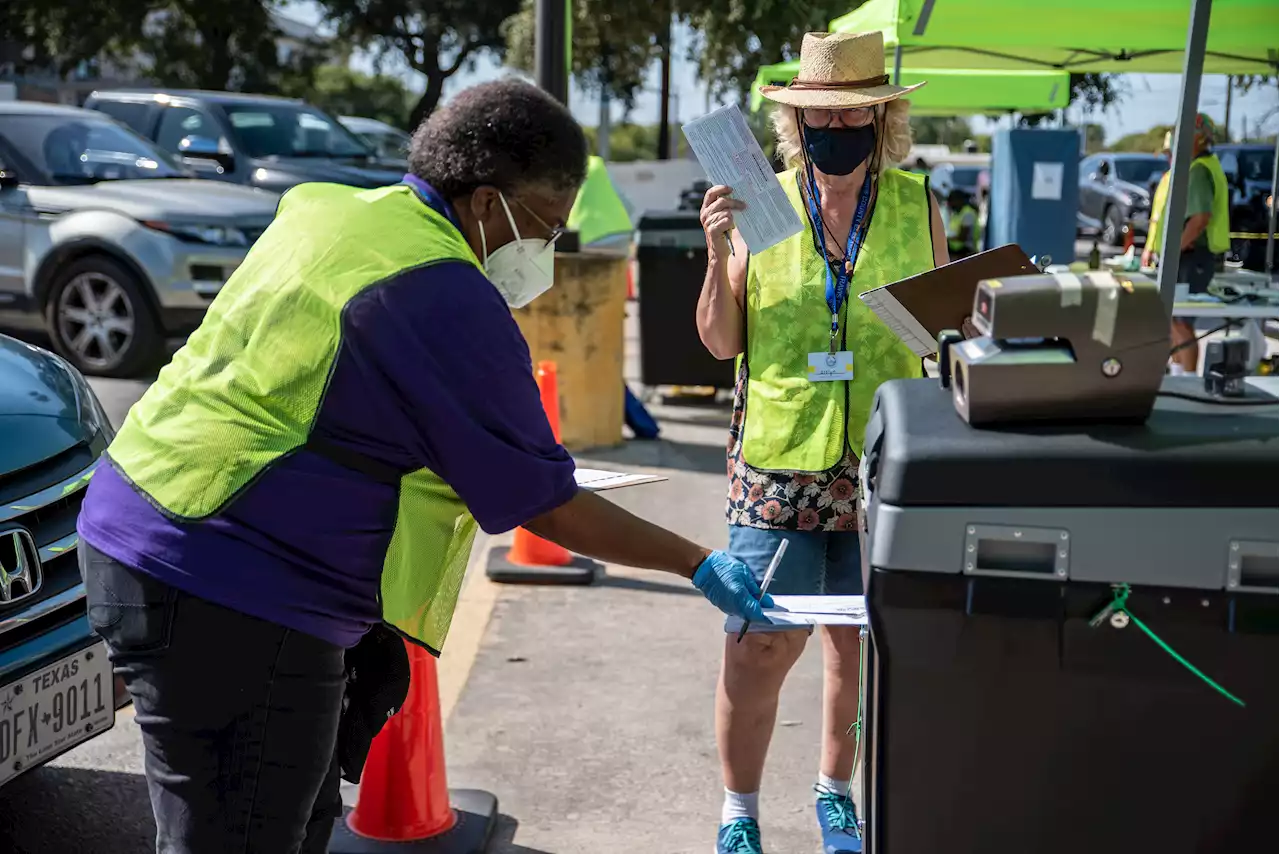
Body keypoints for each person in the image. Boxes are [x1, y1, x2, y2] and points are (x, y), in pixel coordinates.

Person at [75, 79, 769, 854]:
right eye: (545, 227)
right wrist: (695, 561)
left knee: (279, 821)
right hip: (234, 584)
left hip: (140, 522)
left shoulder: (329, 210)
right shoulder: (444, 291)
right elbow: (544, 502)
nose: (547, 251)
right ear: (483, 203)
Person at [695, 30, 949, 854]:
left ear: (882, 120)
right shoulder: (761, 204)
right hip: (779, 460)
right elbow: (722, 342)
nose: (834, 128)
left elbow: (942, 334)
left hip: (885, 454)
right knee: (759, 642)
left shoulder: (919, 205)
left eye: (852, 114)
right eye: (818, 116)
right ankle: (739, 812)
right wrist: (712, 254)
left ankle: (835, 791)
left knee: (862, 641)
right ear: (795, 125)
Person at [1142, 114, 1230, 374]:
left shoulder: (1199, 170)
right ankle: (1179, 375)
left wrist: (1173, 251)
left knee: (1181, 320)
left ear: (1199, 139)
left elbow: (1200, 219)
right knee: (1173, 319)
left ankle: (1188, 379)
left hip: (1193, 258)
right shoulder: (1195, 167)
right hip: (1189, 257)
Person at [945, 187, 980, 259]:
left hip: (967, 252)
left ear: (959, 200)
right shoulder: (956, 214)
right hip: (956, 250)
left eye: (952, 201)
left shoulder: (968, 213)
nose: (950, 204)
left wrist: (946, 238)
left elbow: (963, 237)